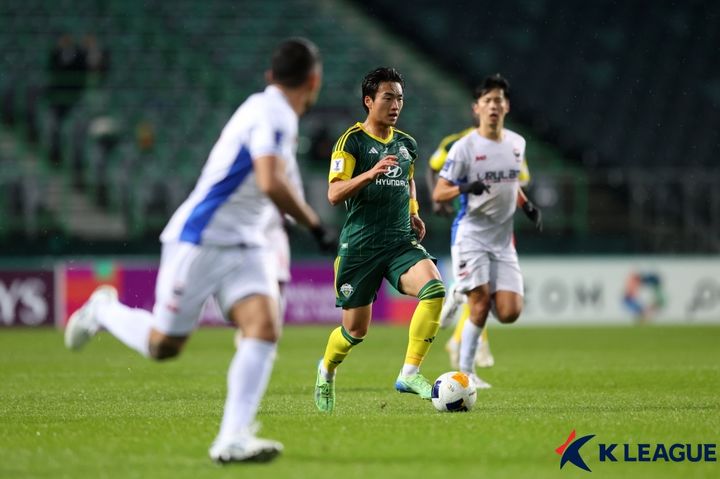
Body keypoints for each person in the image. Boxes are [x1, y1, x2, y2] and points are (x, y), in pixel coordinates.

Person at [64, 38, 335, 464]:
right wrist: (316, 226)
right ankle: (103, 310)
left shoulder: (267, 110)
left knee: (263, 328)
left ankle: (232, 438)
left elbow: (277, 180)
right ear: (314, 81)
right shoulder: (274, 113)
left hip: (245, 243)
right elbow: (269, 181)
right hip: (202, 237)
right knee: (163, 346)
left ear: (271, 75)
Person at [314, 67, 446, 413]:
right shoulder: (351, 142)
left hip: (399, 241)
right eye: (388, 97)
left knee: (435, 290)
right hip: (360, 247)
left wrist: (415, 211)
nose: (396, 104)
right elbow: (333, 193)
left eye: (400, 97)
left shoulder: (407, 144)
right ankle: (326, 371)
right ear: (369, 101)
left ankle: (409, 372)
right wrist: (370, 174)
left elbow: (409, 178)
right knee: (355, 332)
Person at [432, 74, 541, 389]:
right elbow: (439, 192)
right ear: (476, 108)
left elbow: (511, 183)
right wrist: (465, 186)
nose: (494, 106)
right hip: (472, 234)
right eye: (488, 101)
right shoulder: (464, 147)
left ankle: (460, 291)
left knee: (509, 312)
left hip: (503, 240)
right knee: (480, 304)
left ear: (506, 106)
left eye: (499, 100)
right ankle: (466, 374)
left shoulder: (517, 143)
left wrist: (527, 205)